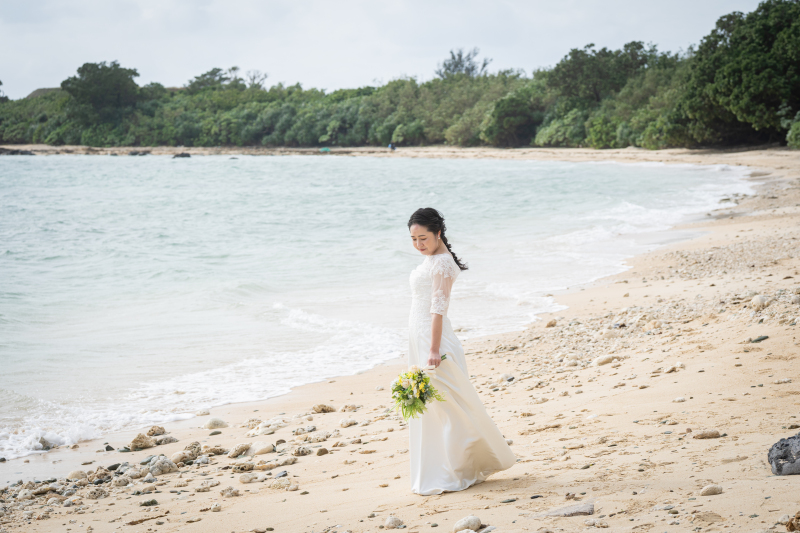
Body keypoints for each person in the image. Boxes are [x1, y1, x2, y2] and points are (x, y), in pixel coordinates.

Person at [406, 207, 516, 495]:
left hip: (433, 340)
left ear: (438, 233)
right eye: (414, 240)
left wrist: (432, 349)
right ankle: (450, 465)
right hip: (421, 337)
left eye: (423, 238)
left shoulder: (441, 263)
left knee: (448, 406)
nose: (419, 245)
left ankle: (461, 467)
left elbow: (438, 309)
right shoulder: (434, 259)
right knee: (435, 405)